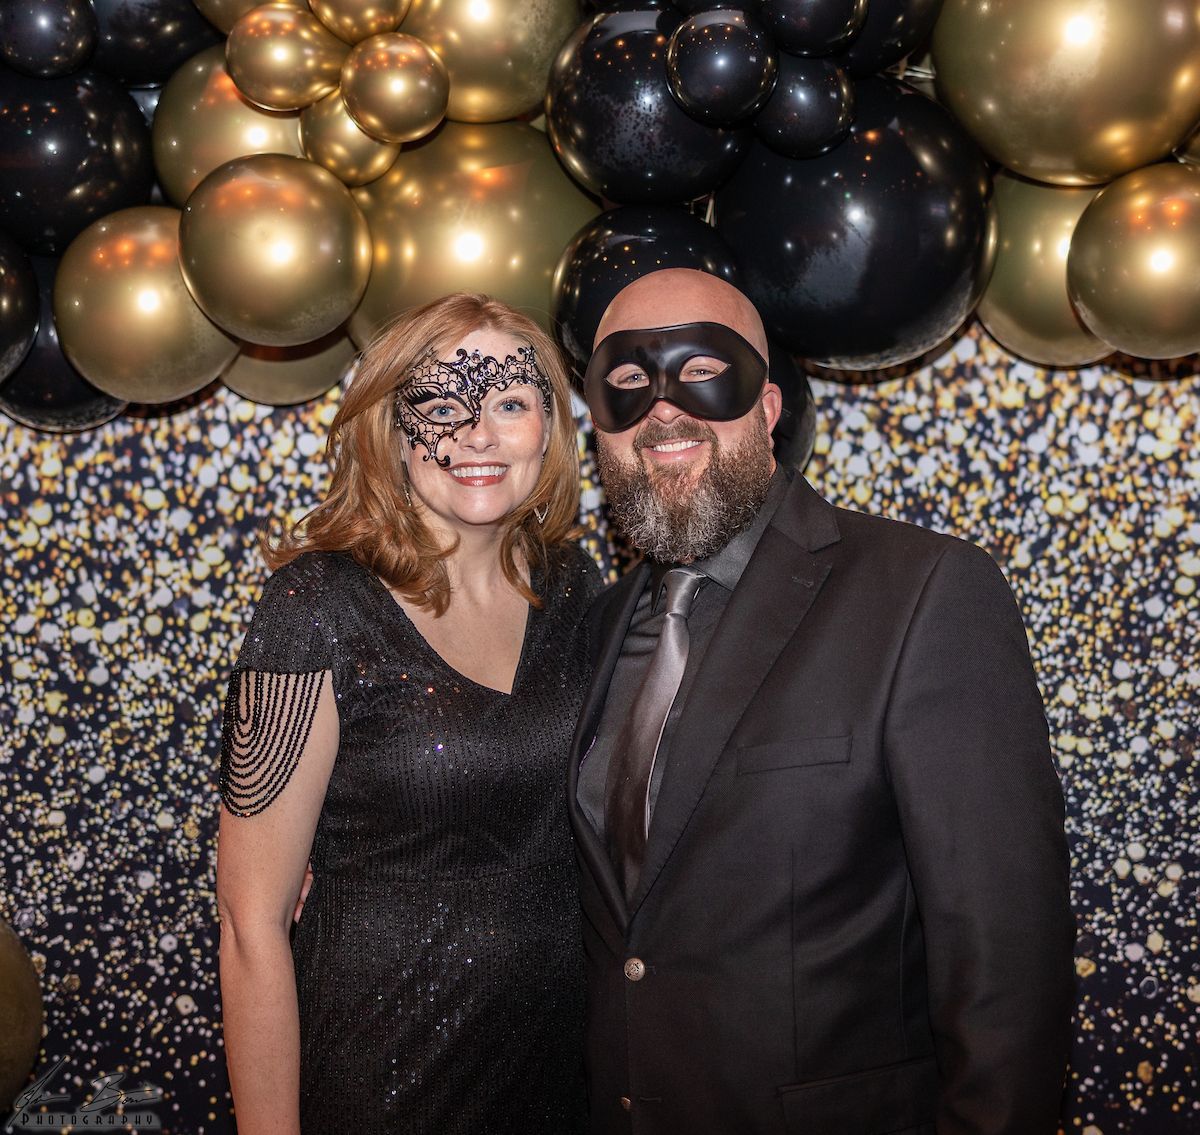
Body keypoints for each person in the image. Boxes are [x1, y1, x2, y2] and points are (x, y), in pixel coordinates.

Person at [569, 268, 1075, 1134]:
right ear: (599, 433)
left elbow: (1006, 974)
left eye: (702, 371)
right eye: (625, 382)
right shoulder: (596, 626)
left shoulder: (923, 594)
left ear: (768, 410)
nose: (662, 410)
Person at [216, 293, 600, 1134]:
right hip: (386, 1070)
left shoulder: (577, 589)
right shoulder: (315, 606)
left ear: (549, 428)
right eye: (439, 405)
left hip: (562, 1070)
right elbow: (251, 927)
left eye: (508, 402)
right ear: (390, 429)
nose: (476, 435)